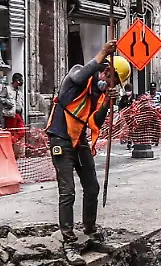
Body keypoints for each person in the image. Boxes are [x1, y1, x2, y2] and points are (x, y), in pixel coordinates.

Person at [46, 42, 130, 249]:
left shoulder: (98, 94)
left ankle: (90, 232)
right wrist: (103, 53)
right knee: (68, 191)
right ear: (106, 70)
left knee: (92, 187)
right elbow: (80, 76)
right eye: (113, 80)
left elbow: (96, 122)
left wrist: (107, 104)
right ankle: (68, 240)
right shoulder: (77, 76)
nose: (112, 86)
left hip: (79, 140)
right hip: (60, 138)